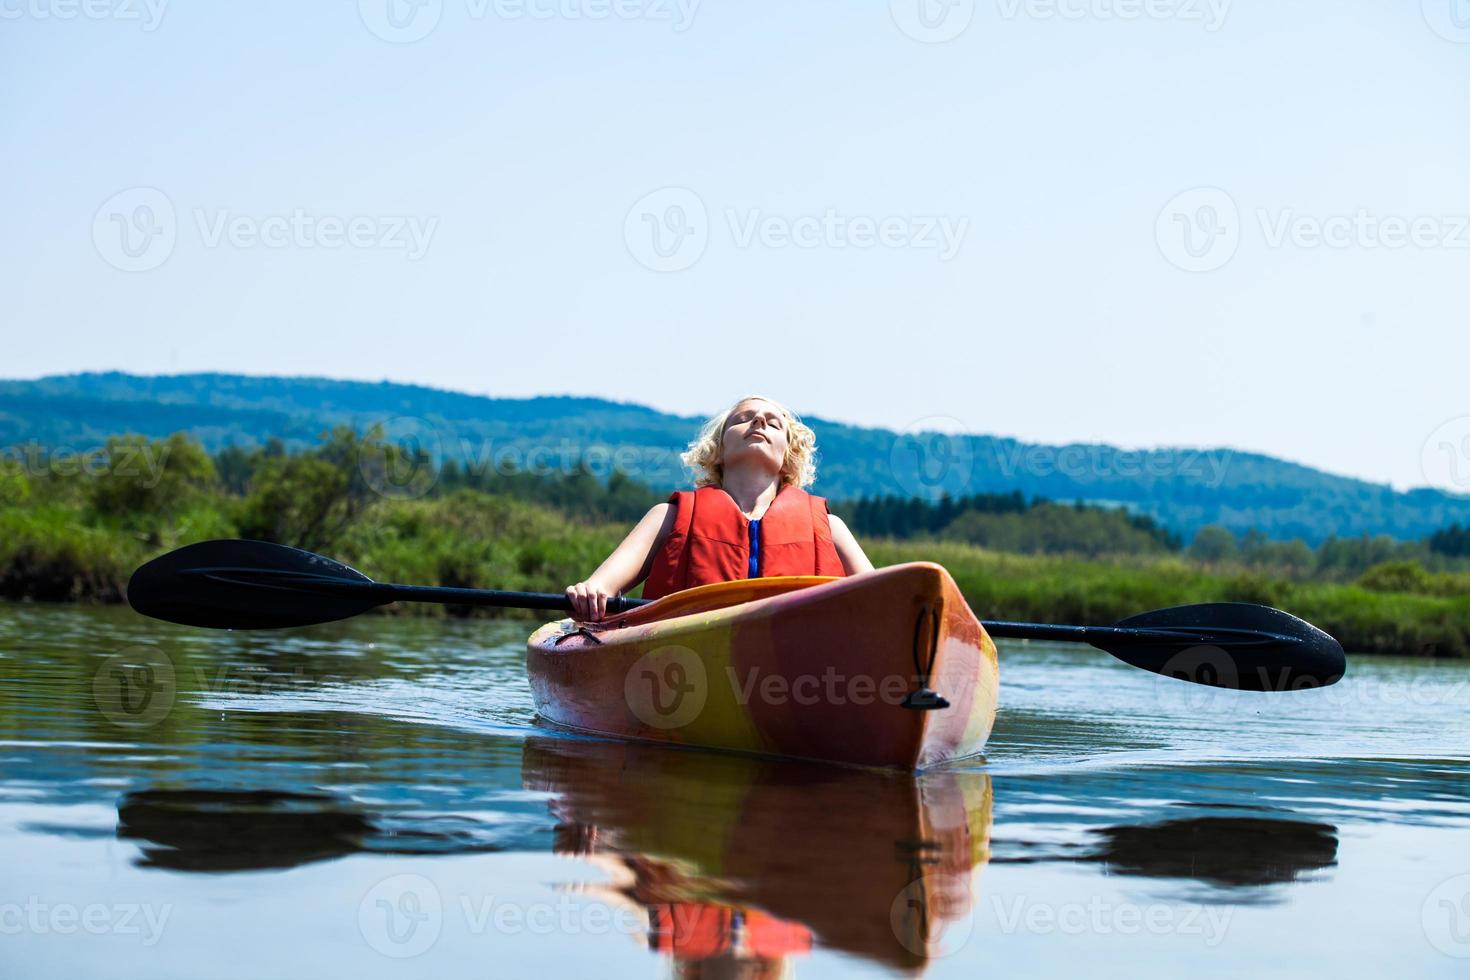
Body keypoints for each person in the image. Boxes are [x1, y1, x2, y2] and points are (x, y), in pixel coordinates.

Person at [565, 395, 875, 621]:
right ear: (719, 450)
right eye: (743, 418)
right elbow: (600, 587)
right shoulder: (668, 516)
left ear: (788, 457)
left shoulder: (830, 526)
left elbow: (886, 599)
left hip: (800, 657)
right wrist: (589, 593)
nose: (759, 421)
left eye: (774, 423)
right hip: (682, 657)